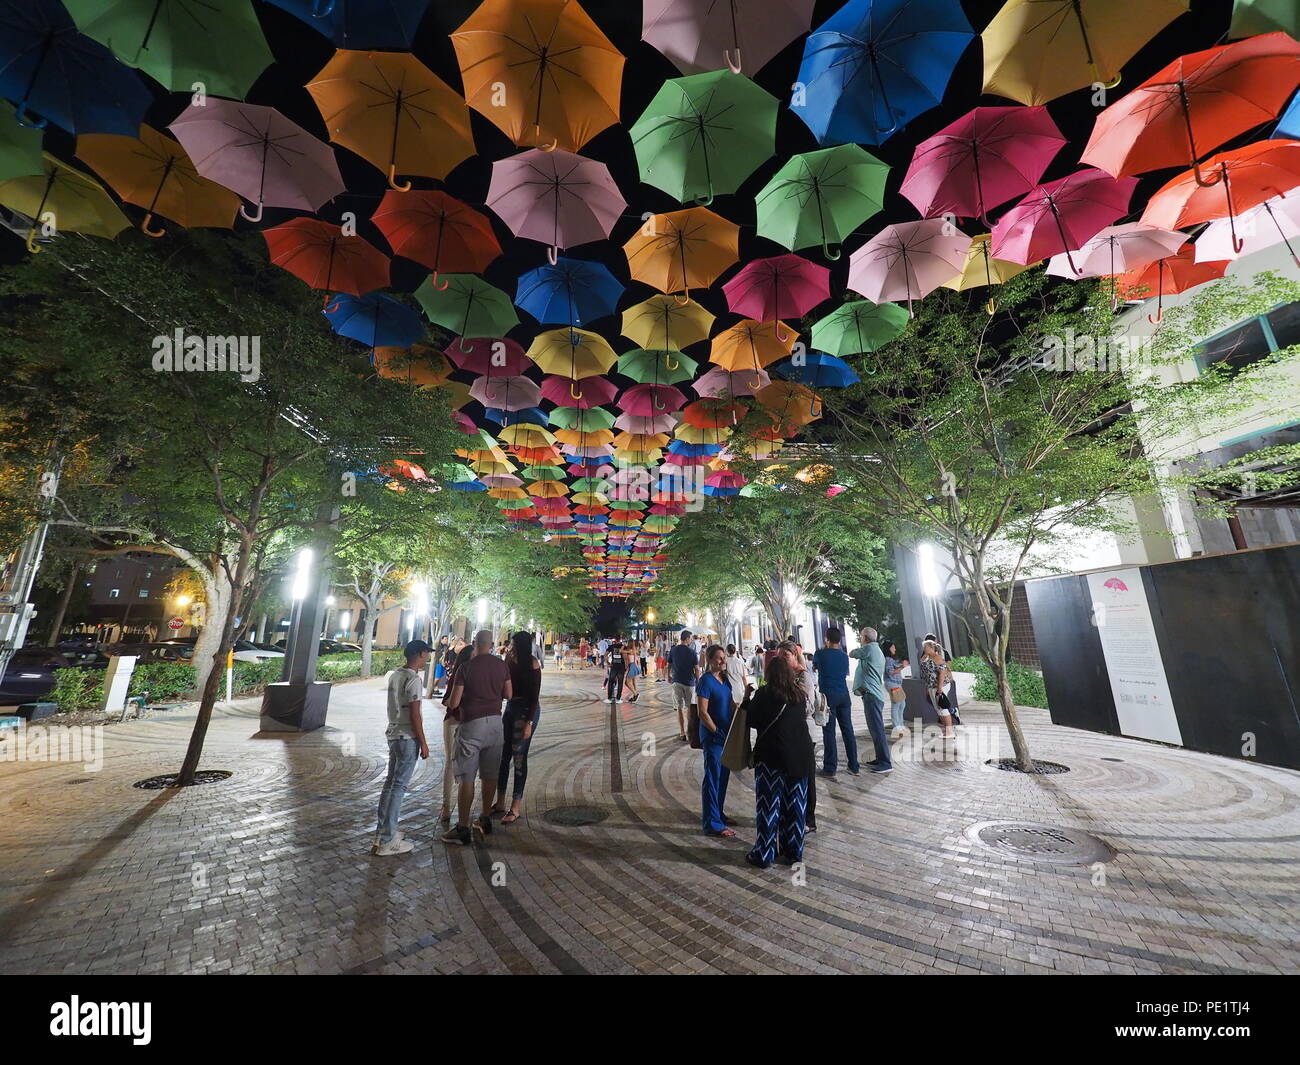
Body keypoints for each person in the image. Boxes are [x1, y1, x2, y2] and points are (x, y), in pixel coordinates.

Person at [441, 630, 512, 846]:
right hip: (495, 725)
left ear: (474, 644)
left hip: (472, 724)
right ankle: (484, 818)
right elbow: (509, 694)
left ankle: (462, 827)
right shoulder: (502, 666)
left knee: (467, 778)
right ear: (491, 644)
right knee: (490, 775)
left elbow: (453, 702)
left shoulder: (466, 667)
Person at [746, 652, 815, 869]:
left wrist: (746, 700)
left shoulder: (764, 695)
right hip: (800, 758)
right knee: (795, 806)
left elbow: (752, 721)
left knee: (769, 806)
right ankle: (794, 851)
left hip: (771, 759)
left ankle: (765, 853)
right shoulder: (799, 695)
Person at [374, 639, 432, 855]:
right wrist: (423, 742)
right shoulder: (413, 679)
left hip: (393, 734)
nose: (427, 657)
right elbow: (416, 715)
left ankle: (383, 832)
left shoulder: (395, 675)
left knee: (390, 784)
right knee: (399, 787)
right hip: (407, 737)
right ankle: (388, 840)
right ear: (419, 654)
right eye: (426, 654)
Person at [493, 630, 541, 825]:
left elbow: (535, 697)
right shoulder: (508, 661)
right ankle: (500, 802)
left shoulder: (533, 664)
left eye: (513, 643)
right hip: (511, 708)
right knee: (504, 756)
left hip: (526, 711)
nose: (510, 646)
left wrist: (529, 723)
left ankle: (516, 806)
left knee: (519, 757)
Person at [695, 644, 737, 838]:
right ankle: (712, 823)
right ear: (710, 659)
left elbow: (729, 704)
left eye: (724, 658)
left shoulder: (724, 679)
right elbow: (702, 712)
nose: (723, 661)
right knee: (713, 778)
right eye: (719, 658)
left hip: (726, 734)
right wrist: (716, 731)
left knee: (723, 777)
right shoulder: (705, 681)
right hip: (713, 737)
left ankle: (718, 813)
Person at [812, 627, 857, 777]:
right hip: (844, 694)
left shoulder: (820, 654)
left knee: (829, 732)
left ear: (827, 639)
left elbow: (815, 666)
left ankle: (830, 768)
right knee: (848, 730)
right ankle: (854, 765)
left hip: (828, 697)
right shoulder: (844, 656)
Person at [850, 626, 892, 774]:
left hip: (872, 695)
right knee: (875, 729)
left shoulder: (869, 649)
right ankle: (880, 758)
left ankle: (885, 762)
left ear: (866, 638)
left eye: (861, 636)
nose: (861, 639)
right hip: (872, 695)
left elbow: (852, 653)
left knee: (877, 730)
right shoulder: (875, 650)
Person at [668, 629, 700, 742]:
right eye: (690, 638)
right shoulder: (692, 653)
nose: (691, 640)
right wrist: (698, 681)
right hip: (689, 683)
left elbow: (669, 664)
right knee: (690, 709)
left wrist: (668, 675)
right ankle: (689, 731)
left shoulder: (674, 650)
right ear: (686, 639)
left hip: (676, 681)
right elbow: (696, 669)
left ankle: (682, 732)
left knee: (679, 708)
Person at [920, 639, 956, 739]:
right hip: (932, 686)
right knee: (938, 709)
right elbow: (925, 672)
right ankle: (946, 731)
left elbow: (942, 672)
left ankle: (950, 732)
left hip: (940, 686)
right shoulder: (927, 658)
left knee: (943, 709)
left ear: (932, 648)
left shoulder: (937, 657)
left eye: (926, 647)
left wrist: (940, 687)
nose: (924, 649)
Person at [881, 638, 909, 735]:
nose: (895, 649)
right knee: (897, 705)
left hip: (896, 684)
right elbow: (890, 673)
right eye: (893, 648)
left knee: (901, 704)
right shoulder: (888, 660)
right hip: (892, 683)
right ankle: (897, 727)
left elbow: (895, 667)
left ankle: (900, 725)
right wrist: (902, 667)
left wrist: (901, 665)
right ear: (889, 649)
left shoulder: (891, 660)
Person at [724, 643, 748, 707]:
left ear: (727, 651)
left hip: (728, 690)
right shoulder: (740, 662)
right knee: (738, 711)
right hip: (739, 689)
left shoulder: (725, 662)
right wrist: (747, 689)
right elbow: (744, 678)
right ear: (735, 651)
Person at [605, 636, 627, 702]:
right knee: (620, 682)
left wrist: (608, 663)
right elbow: (625, 658)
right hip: (621, 667)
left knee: (611, 681)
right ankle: (618, 699)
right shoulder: (623, 647)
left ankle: (609, 698)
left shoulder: (611, 646)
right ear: (620, 640)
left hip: (614, 666)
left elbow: (605, 655)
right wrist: (626, 667)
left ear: (615, 640)